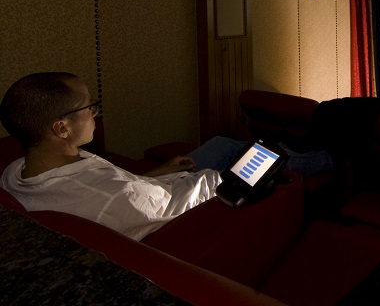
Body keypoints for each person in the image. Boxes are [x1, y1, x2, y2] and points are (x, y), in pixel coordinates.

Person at [0, 72, 247, 240]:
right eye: (89, 107)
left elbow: (112, 190)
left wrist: (154, 173)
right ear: (62, 128)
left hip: (151, 187)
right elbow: (185, 200)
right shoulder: (115, 195)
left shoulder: (14, 172)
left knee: (220, 143)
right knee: (251, 157)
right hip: (193, 196)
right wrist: (231, 179)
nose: (95, 113)